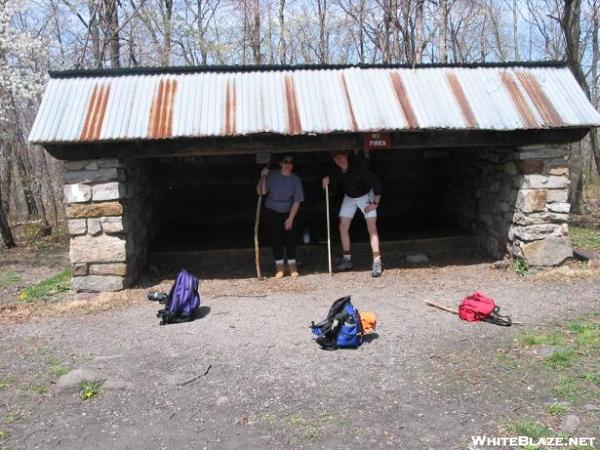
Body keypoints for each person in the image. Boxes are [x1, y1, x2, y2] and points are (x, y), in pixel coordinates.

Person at [322, 151, 383, 277]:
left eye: (341, 157)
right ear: (334, 160)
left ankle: (377, 261)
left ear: (346, 155)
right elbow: (333, 191)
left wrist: (375, 204)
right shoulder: (336, 170)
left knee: (372, 227)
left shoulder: (358, 167)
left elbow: (377, 184)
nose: (339, 161)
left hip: (366, 195)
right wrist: (326, 183)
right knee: (343, 226)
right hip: (350, 197)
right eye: (336, 158)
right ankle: (347, 259)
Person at [257, 154, 304, 278]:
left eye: (291, 162)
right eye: (286, 161)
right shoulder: (272, 175)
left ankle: (292, 265)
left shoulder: (295, 179)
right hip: (273, 210)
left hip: (289, 211)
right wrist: (263, 176)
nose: (289, 164)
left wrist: (291, 218)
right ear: (281, 163)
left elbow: (297, 200)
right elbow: (261, 191)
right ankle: (279, 266)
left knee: (290, 237)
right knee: (276, 237)